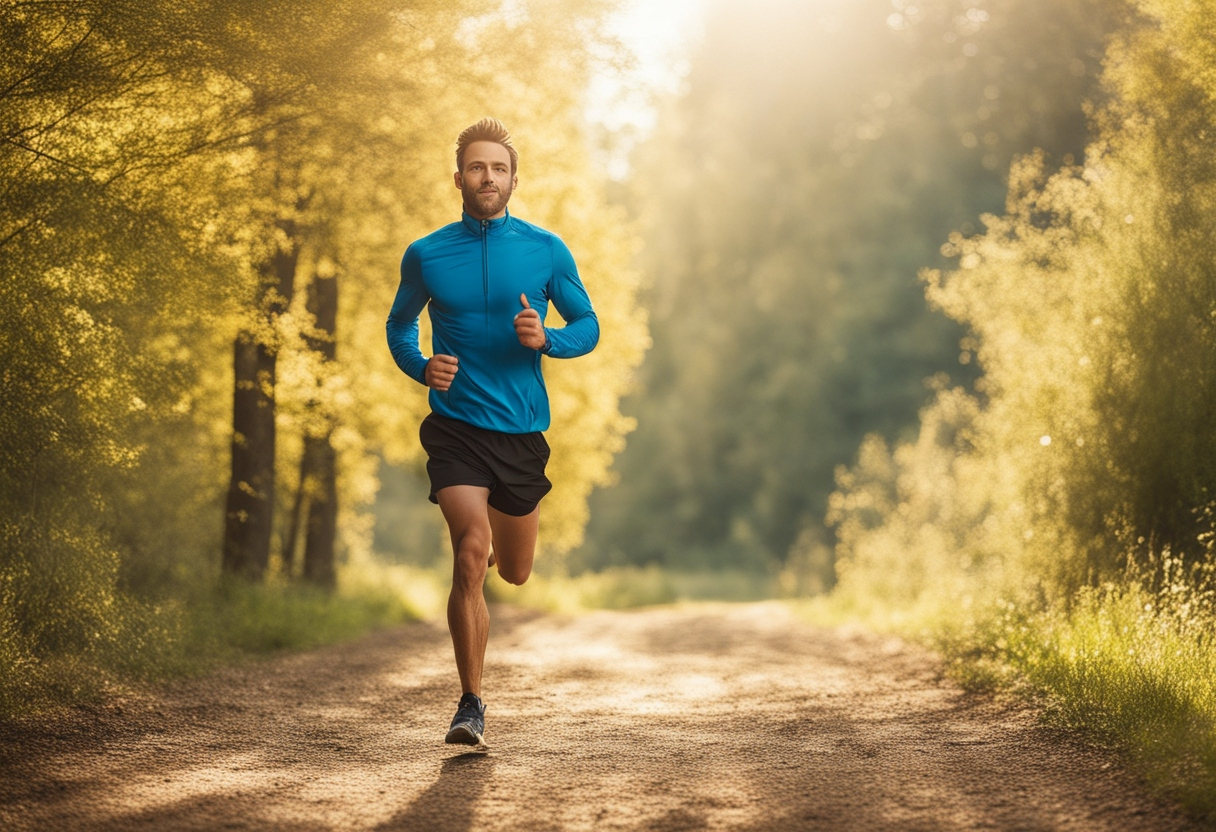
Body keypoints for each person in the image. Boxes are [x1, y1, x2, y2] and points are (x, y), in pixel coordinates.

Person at [386, 118, 599, 746]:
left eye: (499, 168)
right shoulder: (426, 253)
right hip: (455, 428)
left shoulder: (545, 249)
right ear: (459, 178)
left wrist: (549, 339)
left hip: (521, 434)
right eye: (477, 168)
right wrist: (421, 364)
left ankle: (507, 539)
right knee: (470, 552)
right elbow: (399, 326)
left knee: (514, 573)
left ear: (512, 179)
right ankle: (471, 703)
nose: (488, 177)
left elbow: (587, 323)